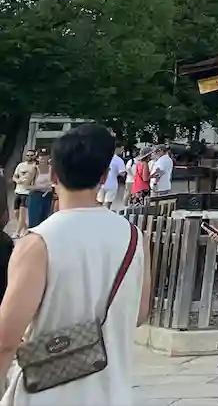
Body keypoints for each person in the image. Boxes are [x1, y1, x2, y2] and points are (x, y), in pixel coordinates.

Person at [0, 123, 151, 406]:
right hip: (111, 392)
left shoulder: (38, 242)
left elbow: (5, 340)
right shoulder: (134, 237)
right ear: (104, 176)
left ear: (53, 176)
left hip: (44, 394)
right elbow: (139, 313)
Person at [23, 159, 51, 231]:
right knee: (35, 223)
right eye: (41, 157)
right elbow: (26, 186)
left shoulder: (52, 168)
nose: (43, 159)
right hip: (36, 196)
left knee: (46, 222)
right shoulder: (34, 169)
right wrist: (40, 187)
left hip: (48, 196)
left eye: (45, 156)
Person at [9, 158, 34, 237]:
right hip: (18, 191)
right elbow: (14, 177)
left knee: (22, 213)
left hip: (27, 193)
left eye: (31, 155)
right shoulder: (20, 165)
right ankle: (25, 229)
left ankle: (17, 232)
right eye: (28, 155)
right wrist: (17, 180)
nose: (29, 156)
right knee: (16, 212)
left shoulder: (35, 167)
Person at [98, 146, 127, 211]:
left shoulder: (100, 158)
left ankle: (98, 214)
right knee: (107, 203)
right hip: (112, 184)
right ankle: (105, 215)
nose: (122, 150)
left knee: (99, 202)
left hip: (101, 183)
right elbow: (122, 173)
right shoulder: (119, 160)